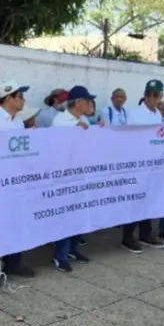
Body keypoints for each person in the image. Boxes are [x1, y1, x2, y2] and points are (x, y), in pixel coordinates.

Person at [0, 79, 37, 287]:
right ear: (9, 98)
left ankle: (14, 262)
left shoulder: (19, 123)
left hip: (15, 182)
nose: (23, 100)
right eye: (20, 96)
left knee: (15, 223)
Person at [49, 85, 95, 272]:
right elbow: (56, 147)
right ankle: (60, 255)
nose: (91, 104)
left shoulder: (84, 119)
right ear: (78, 102)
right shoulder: (60, 120)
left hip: (82, 174)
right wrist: (74, 131)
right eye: (87, 101)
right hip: (65, 177)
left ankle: (73, 249)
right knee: (65, 216)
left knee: (79, 213)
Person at [120, 79, 164, 252]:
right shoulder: (135, 113)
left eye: (156, 95)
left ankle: (145, 233)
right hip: (138, 163)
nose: (152, 98)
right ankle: (127, 236)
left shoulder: (158, 115)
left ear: (161, 96)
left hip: (153, 163)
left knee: (149, 199)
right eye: (149, 94)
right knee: (135, 199)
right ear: (145, 95)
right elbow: (130, 137)